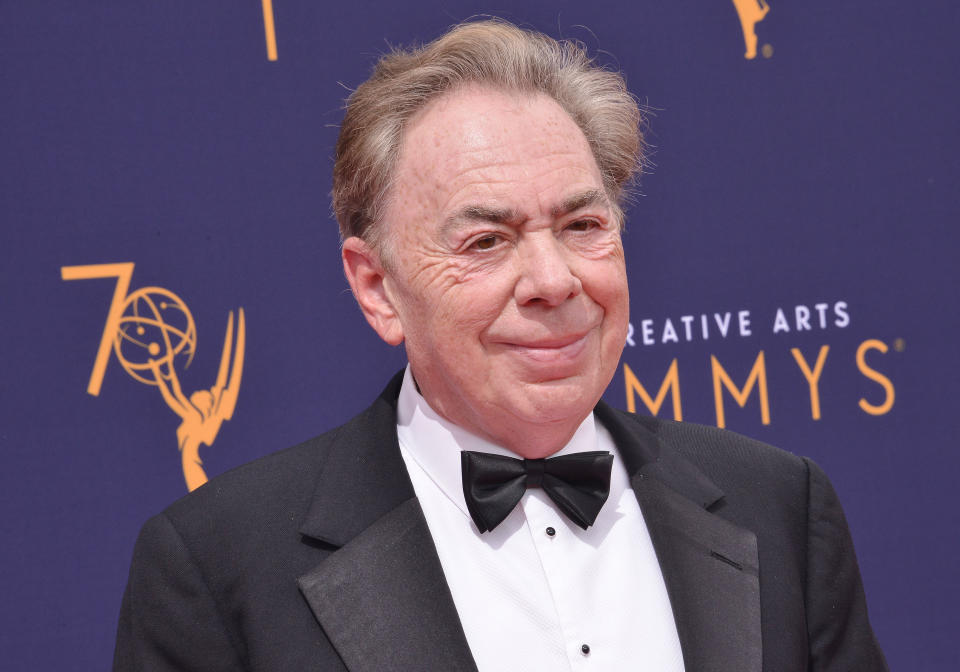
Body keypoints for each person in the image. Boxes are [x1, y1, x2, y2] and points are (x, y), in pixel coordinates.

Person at [113, 19, 888, 671]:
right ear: (377, 288)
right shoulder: (219, 569)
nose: (553, 281)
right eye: (486, 240)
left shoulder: (781, 506)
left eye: (583, 226)